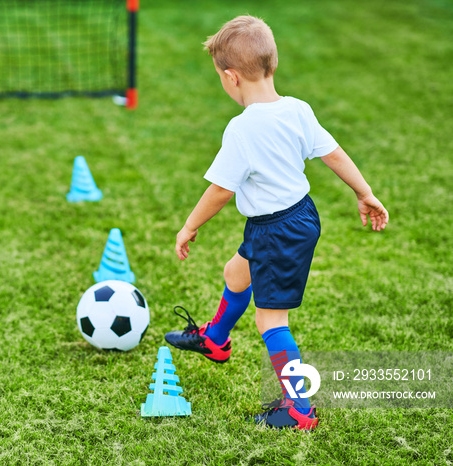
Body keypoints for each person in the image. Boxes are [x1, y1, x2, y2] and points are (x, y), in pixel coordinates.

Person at [164, 15, 389, 430]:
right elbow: (333, 153)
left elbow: (221, 190)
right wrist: (364, 191)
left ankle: (299, 408)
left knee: (271, 319)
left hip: (276, 229)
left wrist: (189, 226)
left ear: (231, 78)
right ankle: (215, 340)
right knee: (236, 272)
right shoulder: (297, 110)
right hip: (298, 216)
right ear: (273, 65)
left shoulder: (242, 128)